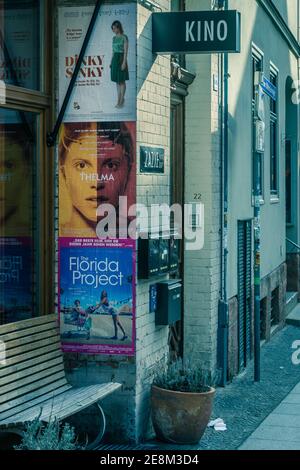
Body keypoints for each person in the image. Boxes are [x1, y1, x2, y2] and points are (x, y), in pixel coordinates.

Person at [59, 121, 134, 237]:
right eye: (81, 165)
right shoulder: (51, 236)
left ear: (128, 170)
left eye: (111, 165)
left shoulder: (134, 235)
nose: (96, 183)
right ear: (63, 172)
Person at [110, 20, 129, 108]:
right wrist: (111, 62)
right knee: (117, 82)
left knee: (122, 81)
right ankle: (118, 100)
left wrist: (124, 62)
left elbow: (125, 51)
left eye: (114, 28)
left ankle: (121, 100)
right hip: (115, 60)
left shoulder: (124, 37)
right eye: (112, 28)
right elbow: (113, 51)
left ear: (118, 27)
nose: (113, 30)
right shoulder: (113, 38)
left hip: (121, 58)